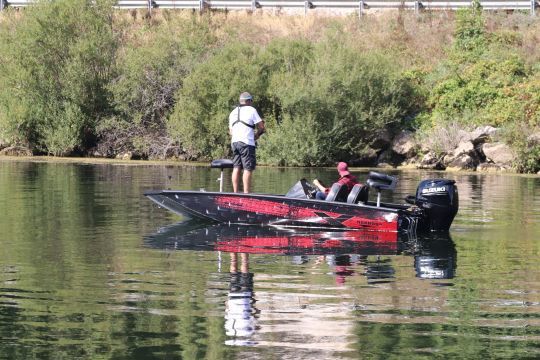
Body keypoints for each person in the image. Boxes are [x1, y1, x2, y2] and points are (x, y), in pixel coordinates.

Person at [229, 92, 265, 193]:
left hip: (234, 142)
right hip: (246, 142)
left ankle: (235, 193)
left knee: (236, 167)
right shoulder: (251, 110)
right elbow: (262, 127)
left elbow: (231, 131)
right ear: (249, 101)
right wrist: (256, 136)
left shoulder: (232, 112)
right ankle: (246, 194)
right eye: (251, 101)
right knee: (247, 168)